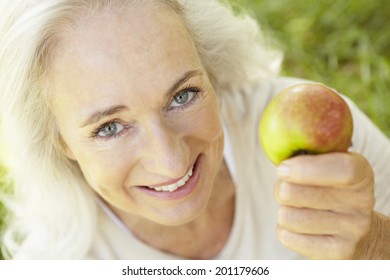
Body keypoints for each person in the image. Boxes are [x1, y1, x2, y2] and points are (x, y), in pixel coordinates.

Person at [0, 0, 389, 260]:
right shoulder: (59, 259)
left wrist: (374, 244)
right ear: (59, 140)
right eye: (110, 127)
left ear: (212, 70)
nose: (171, 161)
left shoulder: (317, 140)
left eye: (183, 95)